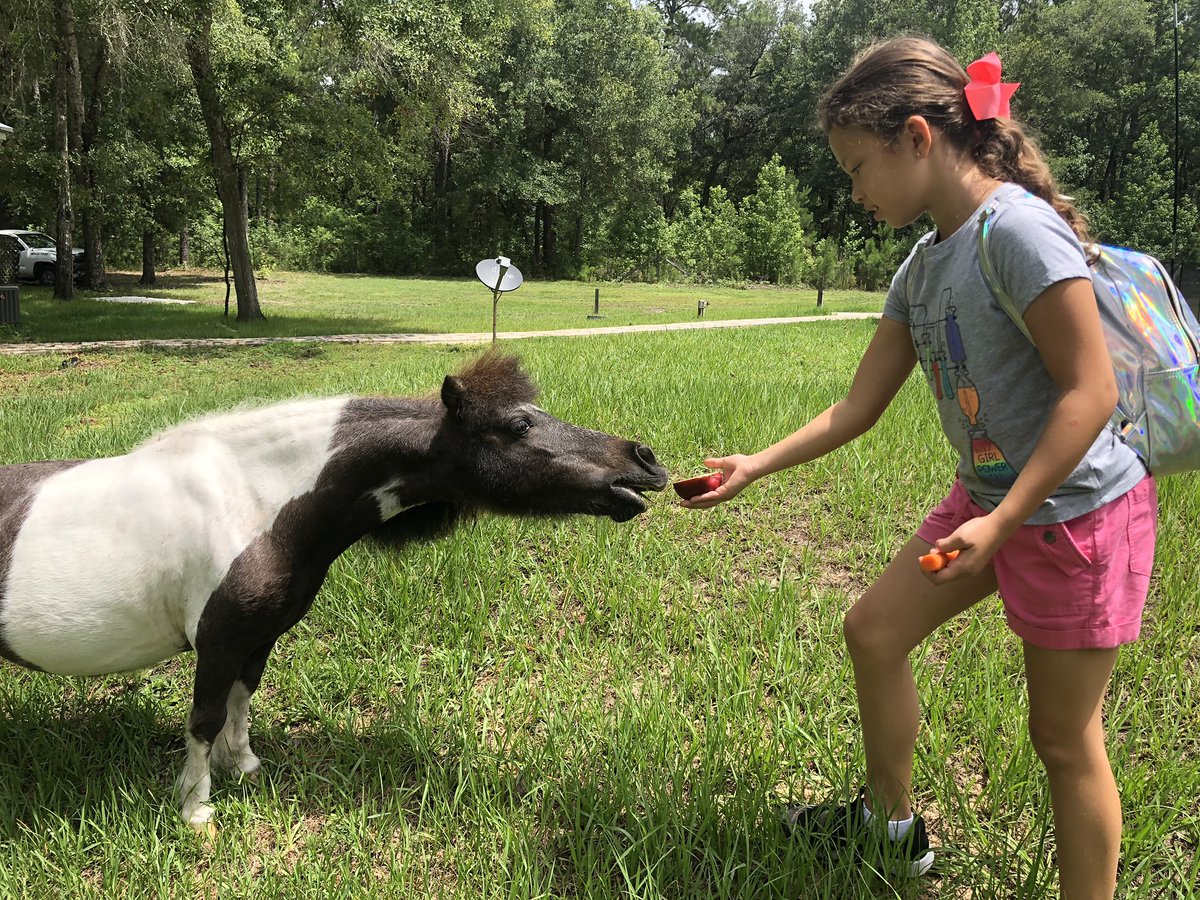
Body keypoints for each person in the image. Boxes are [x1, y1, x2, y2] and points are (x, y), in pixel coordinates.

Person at [680, 36, 1156, 898]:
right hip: (987, 507)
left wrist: (1004, 522)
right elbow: (857, 407)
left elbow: (1090, 395)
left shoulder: (1015, 231)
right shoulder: (925, 258)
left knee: (1061, 738)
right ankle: (893, 832)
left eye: (858, 167)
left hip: (1073, 523)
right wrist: (756, 465)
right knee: (874, 631)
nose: (855, 192)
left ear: (916, 138)